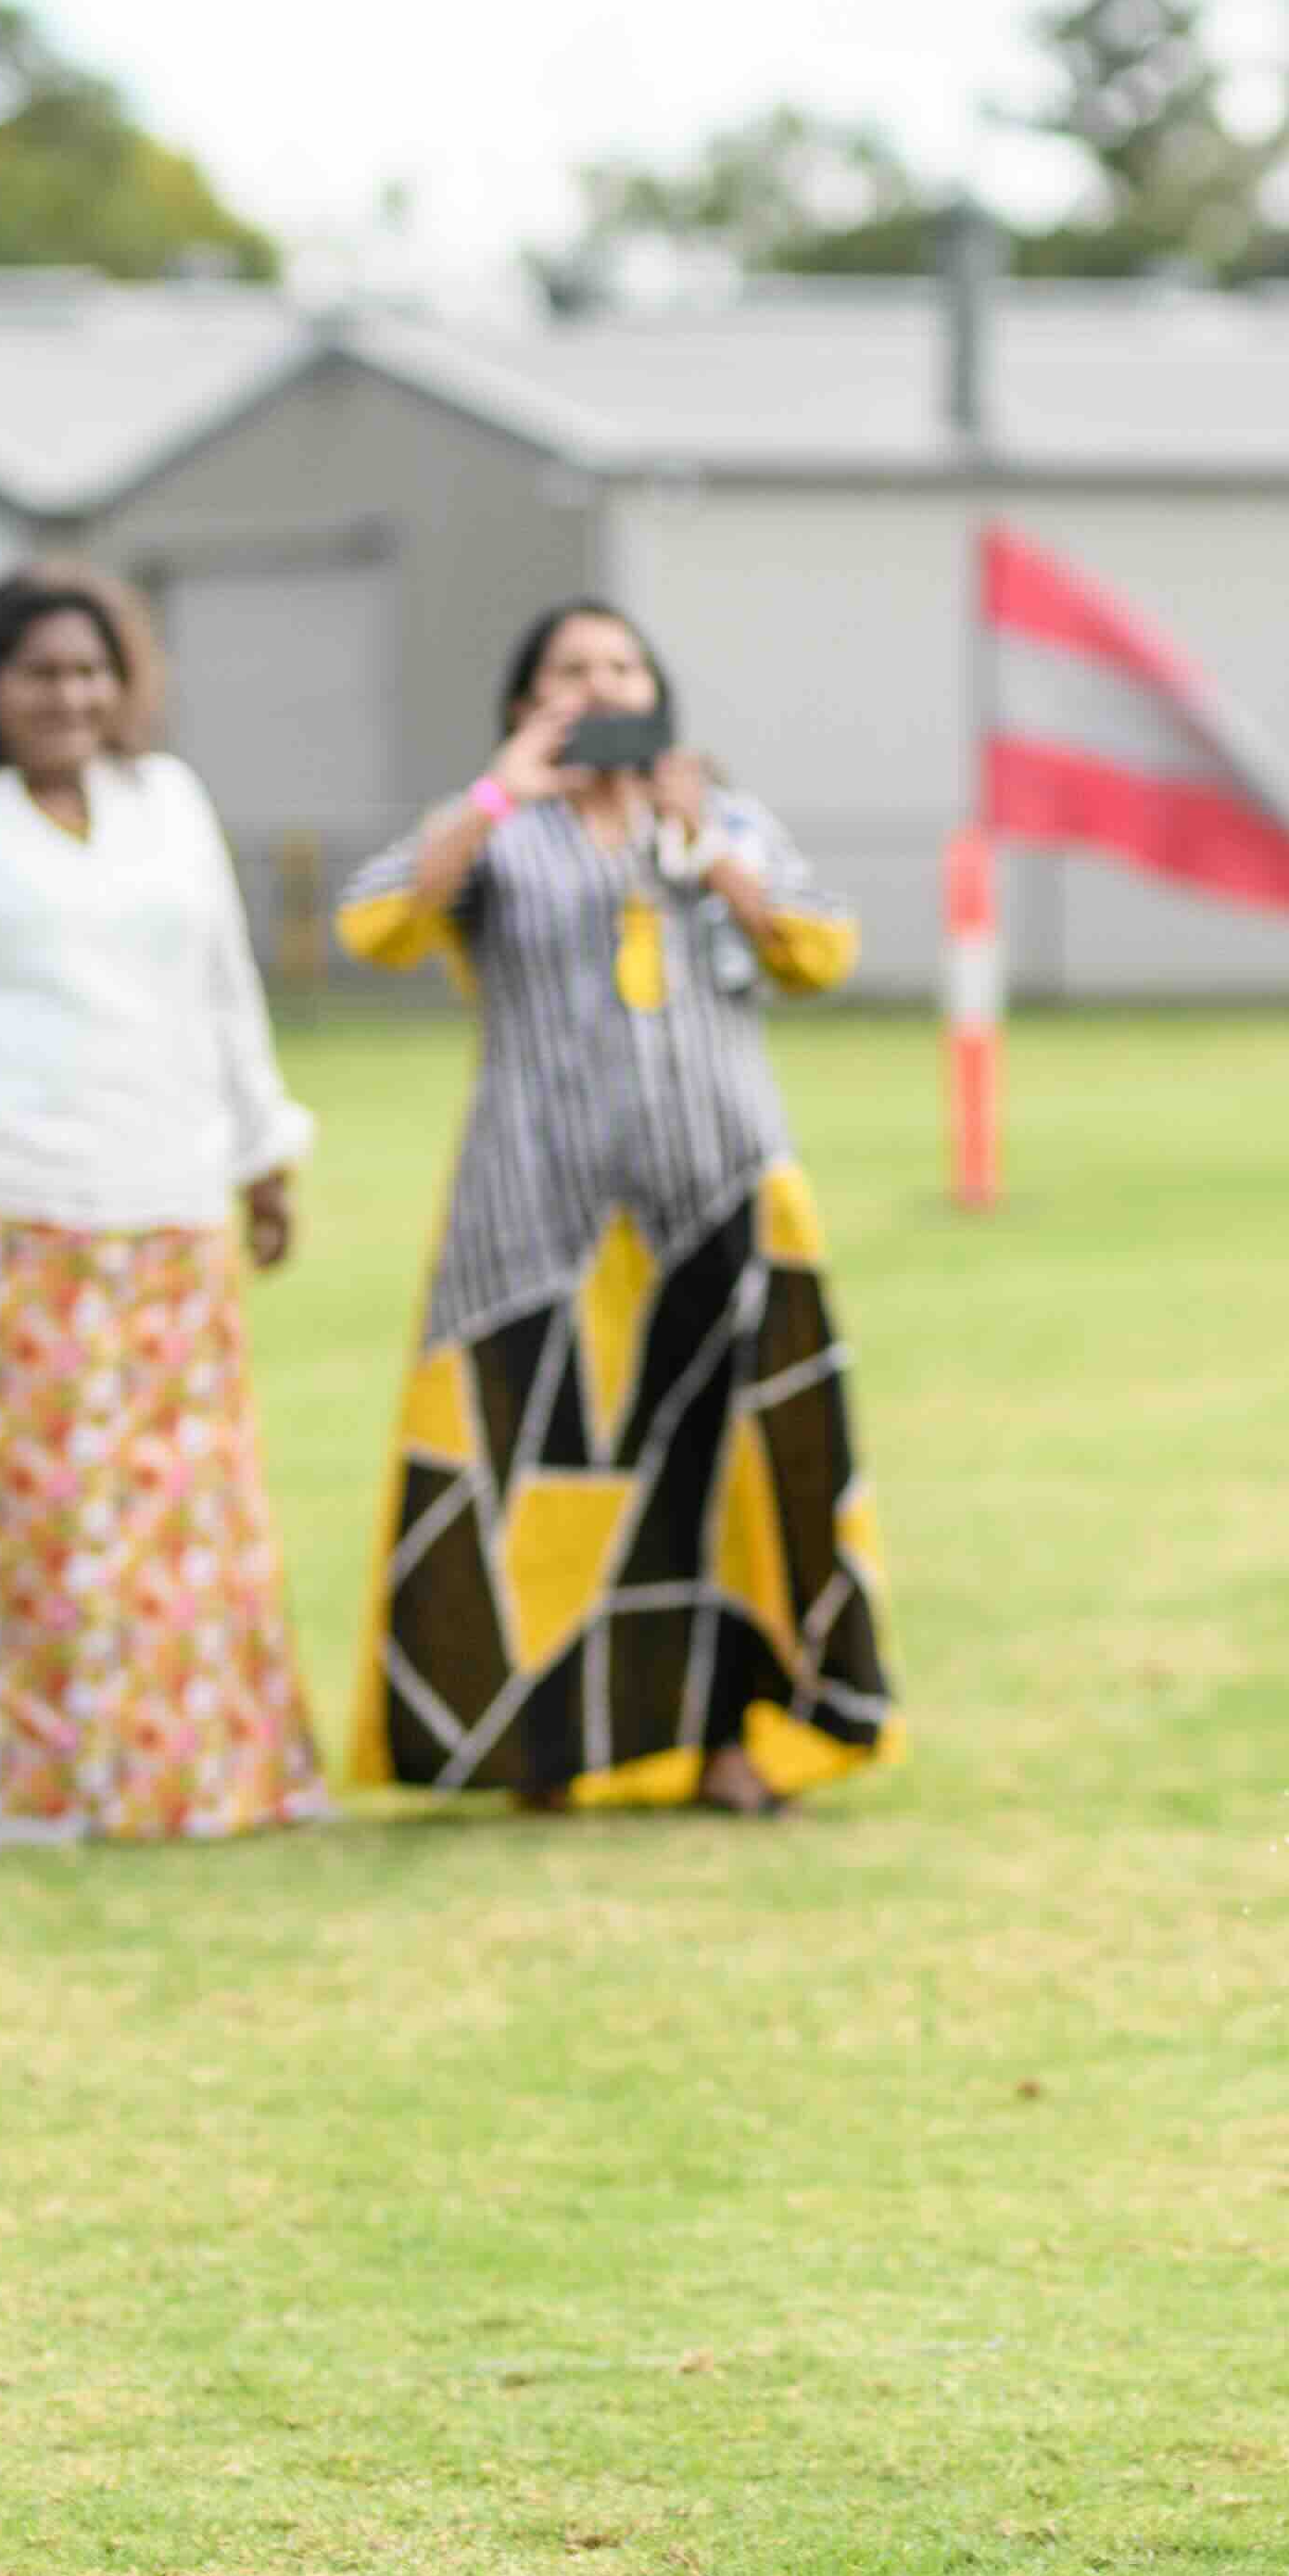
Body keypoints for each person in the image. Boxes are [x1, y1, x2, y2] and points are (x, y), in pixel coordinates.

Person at [336, 600, 896, 1814]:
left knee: (738, 1470)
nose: (598, 684)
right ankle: (548, 1748)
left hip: (723, 1191)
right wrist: (497, 796)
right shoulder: (491, 827)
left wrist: (710, 845)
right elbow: (379, 924)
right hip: (535, 1220)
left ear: (655, 687)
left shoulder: (717, 816)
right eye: (569, 669)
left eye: (621, 664)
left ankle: (744, 1741)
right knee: (536, 1472)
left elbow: (819, 953)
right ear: (527, 698)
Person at [0, 564, 329, 1854]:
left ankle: (201, 1777)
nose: (70, 696)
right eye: (40, 674)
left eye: (91, 672)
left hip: (169, 1197)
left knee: (183, 1501)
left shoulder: (165, 805)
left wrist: (263, 1153)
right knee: (40, 1506)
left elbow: (225, 984)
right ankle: (44, 1788)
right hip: (8, 1200)